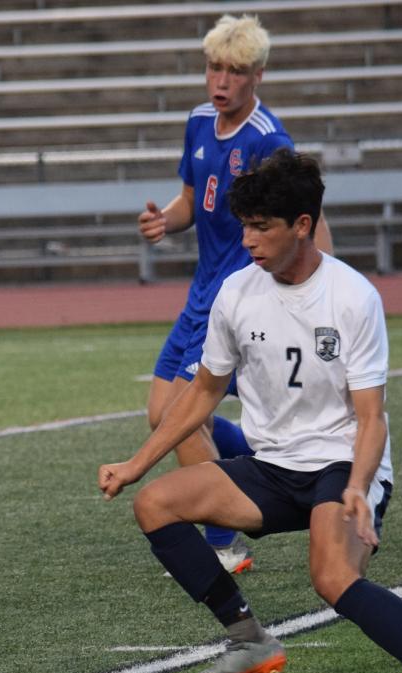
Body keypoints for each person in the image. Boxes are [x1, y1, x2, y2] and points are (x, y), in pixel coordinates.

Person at [100, 148, 402, 673]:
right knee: (155, 505)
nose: (248, 241)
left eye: (262, 228)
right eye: (245, 227)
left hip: (342, 464)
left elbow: (372, 418)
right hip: (274, 468)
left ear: (303, 226)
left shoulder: (352, 297)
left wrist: (361, 487)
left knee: (332, 577)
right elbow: (205, 392)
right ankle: (249, 640)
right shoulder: (236, 293)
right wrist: (137, 464)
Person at [138, 13, 332, 576]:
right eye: (214, 68)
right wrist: (164, 223)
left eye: (235, 71)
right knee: (162, 416)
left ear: (257, 76)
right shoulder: (199, 122)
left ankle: (225, 543)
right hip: (199, 294)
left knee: (184, 415)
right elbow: (189, 199)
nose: (220, 81)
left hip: (238, 299)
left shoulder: (270, 140)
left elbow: (308, 215)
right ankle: (261, 457)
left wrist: (327, 284)